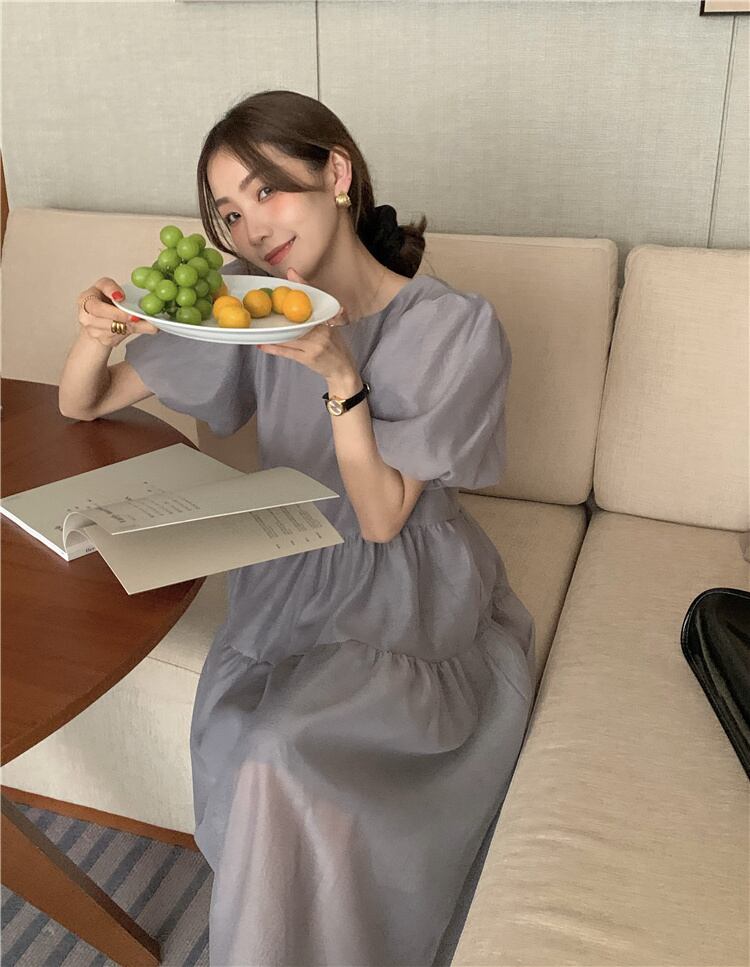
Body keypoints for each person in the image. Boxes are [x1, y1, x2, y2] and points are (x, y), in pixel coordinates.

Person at [59, 89, 536, 967]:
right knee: (246, 750)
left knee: (283, 754)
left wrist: (340, 376)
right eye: (230, 213)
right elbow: (83, 402)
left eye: (266, 190)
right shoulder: (255, 307)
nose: (251, 228)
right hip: (289, 566)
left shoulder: (452, 325)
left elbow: (383, 517)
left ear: (337, 175)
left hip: (403, 584)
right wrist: (97, 330)